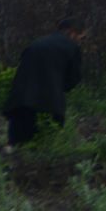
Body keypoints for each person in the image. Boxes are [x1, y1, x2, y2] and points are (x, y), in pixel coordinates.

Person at [8, 16, 85, 147]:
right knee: (46, 145)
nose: (80, 41)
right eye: (80, 37)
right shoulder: (71, 47)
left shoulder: (36, 43)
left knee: (18, 148)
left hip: (20, 103)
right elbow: (73, 79)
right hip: (49, 104)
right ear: (72, 33)